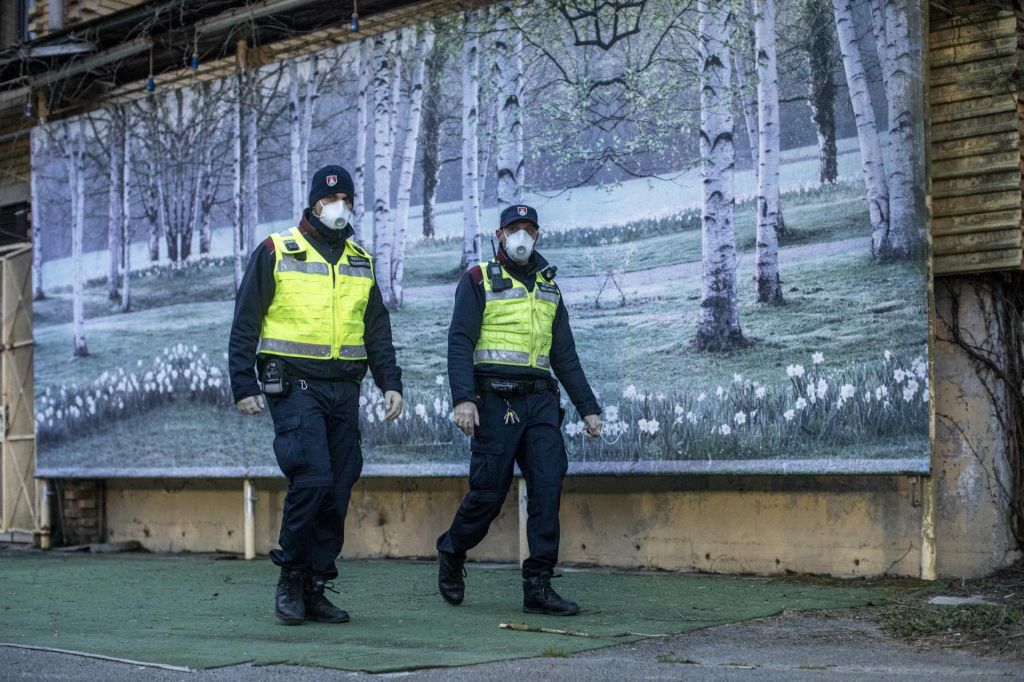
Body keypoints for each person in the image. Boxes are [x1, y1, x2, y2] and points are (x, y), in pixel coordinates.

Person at [229, 165, 404, 625]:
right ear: (313, 204)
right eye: (330, 199)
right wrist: (244, 383)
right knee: (312, 477)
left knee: (340, 483)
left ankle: (315, 585)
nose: (338, 206)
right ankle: (290, 576)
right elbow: (246, 320)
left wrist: (391, 383)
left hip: (344, 388)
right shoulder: (277, 250)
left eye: (346, 198)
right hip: (294, 385)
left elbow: (377, 330)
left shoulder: (360, 261)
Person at [436, 204, 601, 616]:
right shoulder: (478, 280)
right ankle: (453, 549)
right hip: (494, 401)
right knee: (489, 495)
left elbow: (565, 355)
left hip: (541, 402)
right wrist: (463, 399)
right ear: (500, 234)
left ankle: (538, 586)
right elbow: (460, 341)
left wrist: (588, 408)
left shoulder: (549, 288)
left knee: (548, 487)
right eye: (515, 229)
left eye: (529, 229)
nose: (522, 236)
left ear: (538, 236)